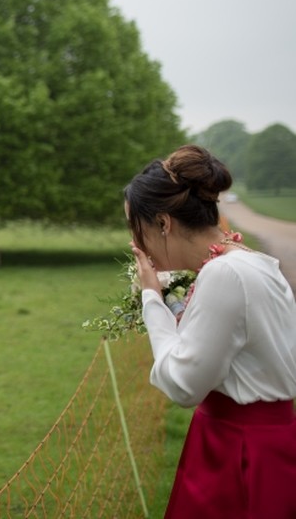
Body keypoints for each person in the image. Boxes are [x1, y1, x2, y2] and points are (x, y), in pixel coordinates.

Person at [123, 144, 296, 518]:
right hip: (264, 444)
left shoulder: (225, 274)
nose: (136, 244)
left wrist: (153, 299)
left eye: (135, 228)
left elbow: (183, 384)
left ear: (164, 223)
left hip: (239, 451)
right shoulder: (253, 264)